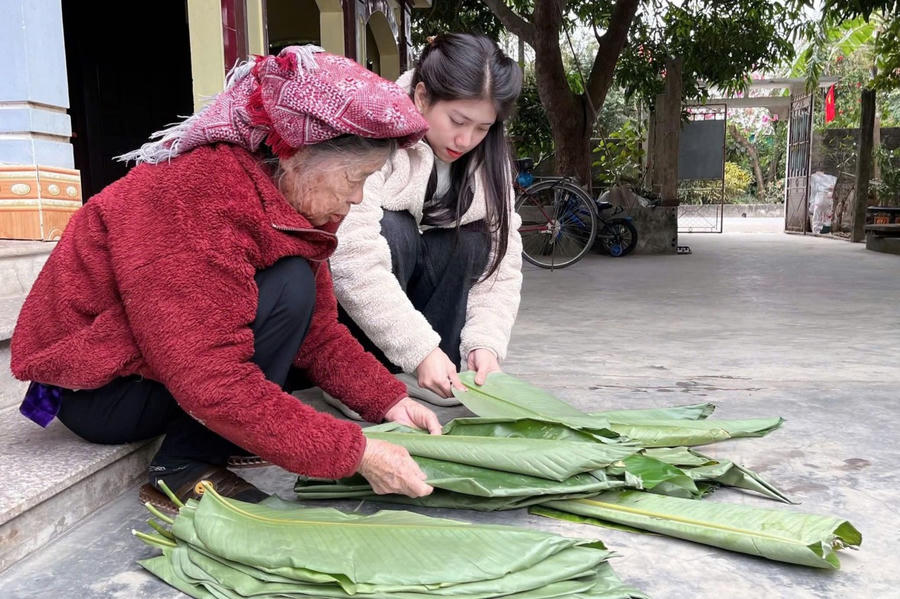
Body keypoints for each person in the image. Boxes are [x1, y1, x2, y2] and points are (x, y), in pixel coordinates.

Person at [11, 46, 440, 511]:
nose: (357, 198)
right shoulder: (194, 195)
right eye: (354, 177)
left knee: (292, 283)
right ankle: (183, 465)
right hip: (100, 392)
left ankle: (223, 437)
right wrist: (356, 452)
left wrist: (389, 402)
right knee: (289, 283)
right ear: (297, 155)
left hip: (162, 365)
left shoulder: (294, 199)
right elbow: (209, 375)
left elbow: (318, 334)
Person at [329, 34, 524, 408]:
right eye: (457, 120)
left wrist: (486, 345)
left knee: (473, 240)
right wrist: (419, 349)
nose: (466, 139)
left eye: (483, 127)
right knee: (394, 230)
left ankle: (443, 376)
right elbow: (350, 257)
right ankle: (364, 383)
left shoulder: (491, 162)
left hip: (432, 329)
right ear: (421, 97)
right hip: (366, 320)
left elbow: (501, 267)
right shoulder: (374, 130)